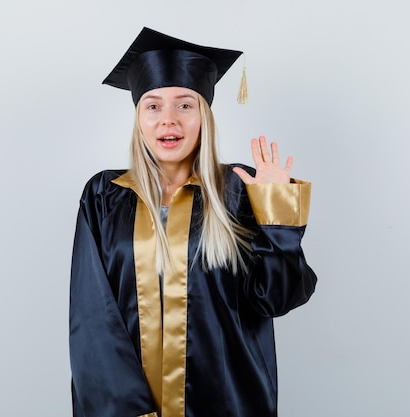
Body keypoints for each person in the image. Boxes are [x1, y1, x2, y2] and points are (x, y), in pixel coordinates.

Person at [69, 27, 317, 417]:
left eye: (185, 105)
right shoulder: (104, 195)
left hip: (228, 404)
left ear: (204, 115)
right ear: (139, 117)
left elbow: (277, 298)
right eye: (153, 106)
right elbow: (92, 318)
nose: (168, 120)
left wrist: (276, 215)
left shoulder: (239, 192)